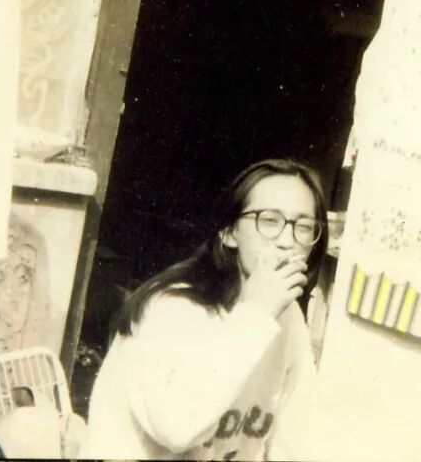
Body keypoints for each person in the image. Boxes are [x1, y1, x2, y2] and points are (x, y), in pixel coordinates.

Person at [83, 159, 328, 461]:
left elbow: (297, 440)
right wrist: (257, 314)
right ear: (229, 232)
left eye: (304, 227)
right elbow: (176, 428)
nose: (288, 242)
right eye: (269, 221)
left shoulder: (288, 318)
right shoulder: (171, 307)